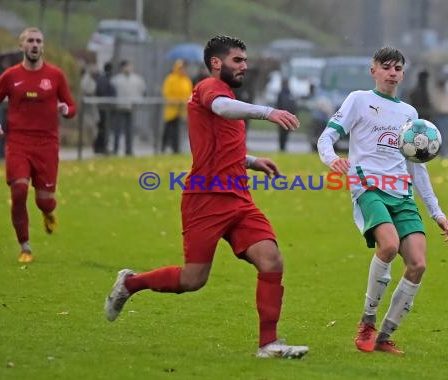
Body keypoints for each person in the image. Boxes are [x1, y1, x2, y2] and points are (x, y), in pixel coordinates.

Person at [104, 35, 308, 359]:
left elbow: (222, 142)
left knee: (271, 260)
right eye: (237, 60)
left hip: (239, 198)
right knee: (193, 279)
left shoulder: (228, 96)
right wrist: (268, 111)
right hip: (206, 199)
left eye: (244, 60)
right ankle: (130, 284)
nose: (244, 66)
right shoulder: (208, 88)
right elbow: (222, 109)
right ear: (217, 63)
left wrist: (252, 161)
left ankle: (268, 345)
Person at [317, 46, 448, 355]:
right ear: (374, 70)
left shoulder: (409, 114)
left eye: (398, 68)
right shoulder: (359, 100)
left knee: (418, 264)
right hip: (368, 186)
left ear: (403, 74)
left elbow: (417, 168)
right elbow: (326, 137)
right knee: (389, 246)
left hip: (401, 193)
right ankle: (367, 322)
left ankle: (385, 335)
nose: (392, 73)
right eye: (386, 67)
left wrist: (437, 212)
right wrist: (331, 159)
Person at [0, 27, 76, 263]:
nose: (35, 45)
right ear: (22, 46)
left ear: (43, 46)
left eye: (38, 41)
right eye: (30, 41)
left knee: (44, 200)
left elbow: (71, 106)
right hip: (18, 141)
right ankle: (25, 246)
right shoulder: (10, 76)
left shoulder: (56, 76)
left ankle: (48, 212)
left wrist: (65, 109)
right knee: (18, 191)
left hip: (47, 144)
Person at [111, 60, 146, 156]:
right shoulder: (116, 80)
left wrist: (138, 102)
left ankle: (129, 150)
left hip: (131, 108)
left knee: (129, 131)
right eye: (125, 66)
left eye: (129, 66)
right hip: (119, 108)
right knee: (117, 130)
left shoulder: (137, 80)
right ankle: (115, 149)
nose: (127, 68)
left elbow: (142, 92)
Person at [161, 59, 193, 153]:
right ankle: (163, 147)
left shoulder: (187, 80)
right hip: (172, 109)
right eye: (182, 68)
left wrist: (185, 101)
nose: (184, 70)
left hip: (182, 110)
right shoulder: (171, 78)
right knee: (168, 129)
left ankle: (176, 149)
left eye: (185, 68)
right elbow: (166, 92)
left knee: (178, 131)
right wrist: (174, 101)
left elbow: (190, 93)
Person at [93, 62, 116, 155]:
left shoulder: (101, 79)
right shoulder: (108, 79)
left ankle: (99, 146)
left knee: (102, 128)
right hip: (105, 107)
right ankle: (101, 147)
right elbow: (107, 92)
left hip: (102, 107)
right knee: (104, 128)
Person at [432, 77, 448, 158]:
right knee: (438, 136)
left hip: (444, 116)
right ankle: (440, 152)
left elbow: (446, 106)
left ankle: (445, 153)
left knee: (444, 136)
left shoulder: (445, 93)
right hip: (439, 115)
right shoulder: (439, 92)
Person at [276, 78, 297, 152]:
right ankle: (282, 147)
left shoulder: (289, 93)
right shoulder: (281, 94)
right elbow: (278, 104)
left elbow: (293, 104)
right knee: (282, 133)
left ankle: (283, 147)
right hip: (282, 116)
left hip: (287, 116)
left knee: (285, 132)